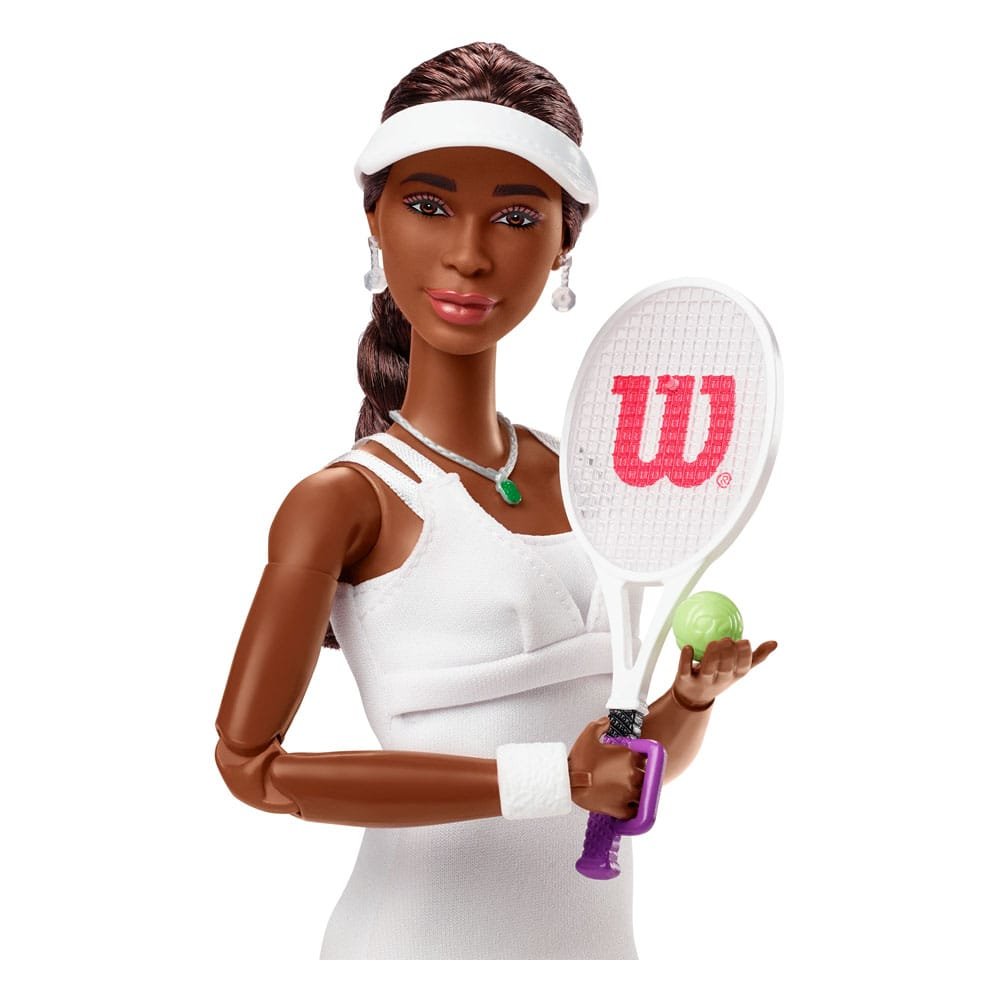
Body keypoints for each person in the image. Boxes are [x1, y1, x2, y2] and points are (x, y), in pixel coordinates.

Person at [214, 41, 776, 960]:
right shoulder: (344, 502)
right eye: (428, 206)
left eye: (516, 217)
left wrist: (688, 699)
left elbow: (625, 771)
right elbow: (252, 769)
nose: (469, 255)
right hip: (411, 951)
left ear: (564, 243)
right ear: (374, 219)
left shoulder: (590, 473)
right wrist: (550, 781)